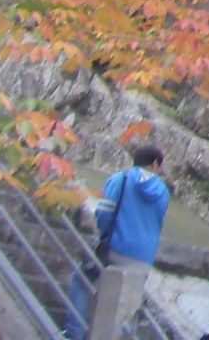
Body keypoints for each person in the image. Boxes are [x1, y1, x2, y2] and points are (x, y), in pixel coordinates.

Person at [66, 143, 170, 339]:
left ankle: (75, 333)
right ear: (155, 163)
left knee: (80, 280)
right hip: (143, 258)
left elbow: (104, 213)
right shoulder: (163, 192)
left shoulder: (121, 179)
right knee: (126, 307)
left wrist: (106, 235)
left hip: (116, 248)